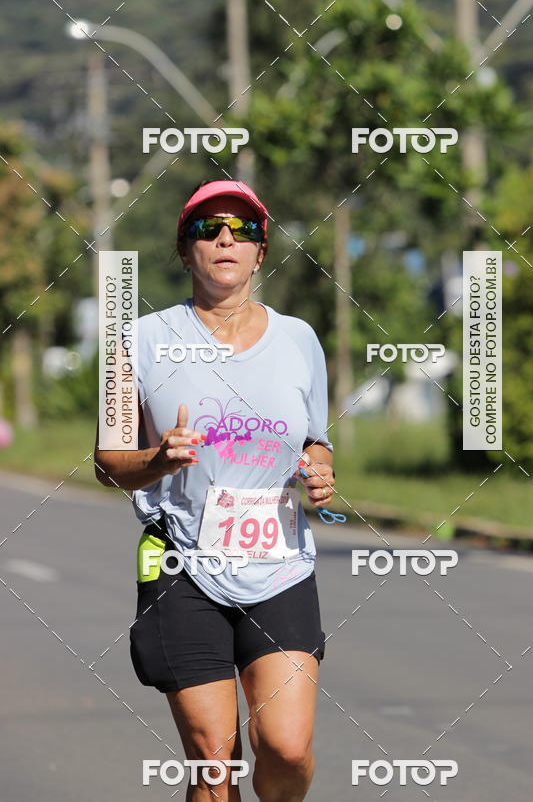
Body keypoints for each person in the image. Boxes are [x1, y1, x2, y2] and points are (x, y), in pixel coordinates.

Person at [94, 178, 335, 802]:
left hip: (279, 564)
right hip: (182, 565)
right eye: (208, 229)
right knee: (213, 759)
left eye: (243, 230)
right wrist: (157, 458)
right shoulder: (138, 341)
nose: (225, 239)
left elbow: (315, 438)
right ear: (185, 250)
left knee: (286, 747)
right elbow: (107, 462)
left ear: (261, 252)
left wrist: (319, 468)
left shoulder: (300, 340)